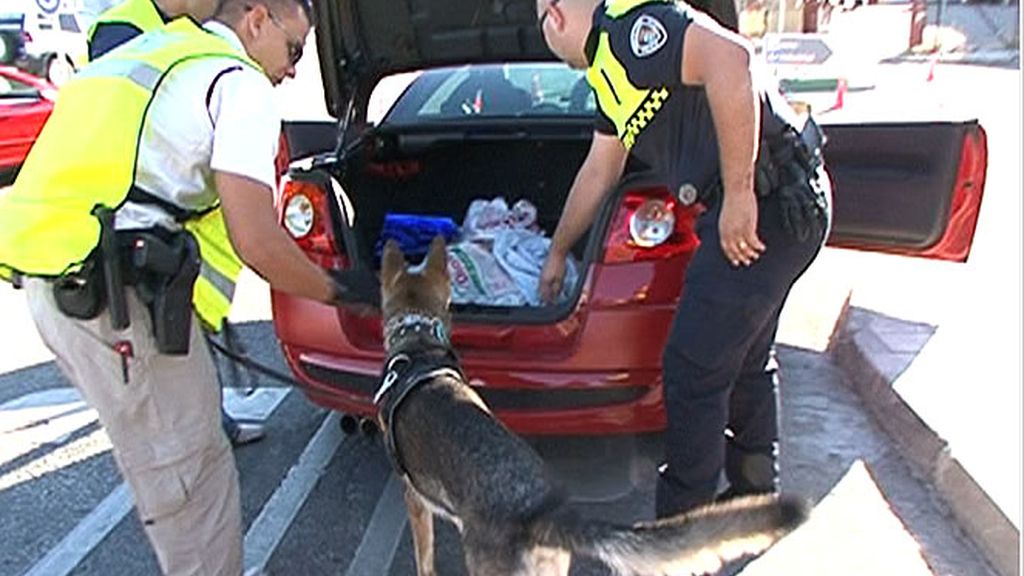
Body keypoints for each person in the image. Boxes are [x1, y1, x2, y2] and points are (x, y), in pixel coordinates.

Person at [0, 0, 377, 573]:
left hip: (57, 280)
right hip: (114, 300)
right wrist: (345, 289)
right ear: (257, 19)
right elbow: (258, 240)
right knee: (190, 476)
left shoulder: (155, 54)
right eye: (295, 49)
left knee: (160, 462)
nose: (294, 69)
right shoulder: (239, 85)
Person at [536, 0, 831, 518]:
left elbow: (731, 61)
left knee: (692, 368)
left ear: (555, 17)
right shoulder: (610, 78)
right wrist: (559, 251)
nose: (551, 47)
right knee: (742, 359)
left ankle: (678, 540)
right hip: (788, 202)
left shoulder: (629, 31)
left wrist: (740, 197)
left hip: (771, 206)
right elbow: (598, 172)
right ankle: (754, 499)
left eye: (541, 30)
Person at [87, 0, 268, 448]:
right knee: (174, 411)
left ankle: (206, 425)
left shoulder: (198, 31)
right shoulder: (127, 28)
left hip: (185, 252)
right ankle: (198, 436)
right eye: (296, 50)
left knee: (191, 365)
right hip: (143, 251)